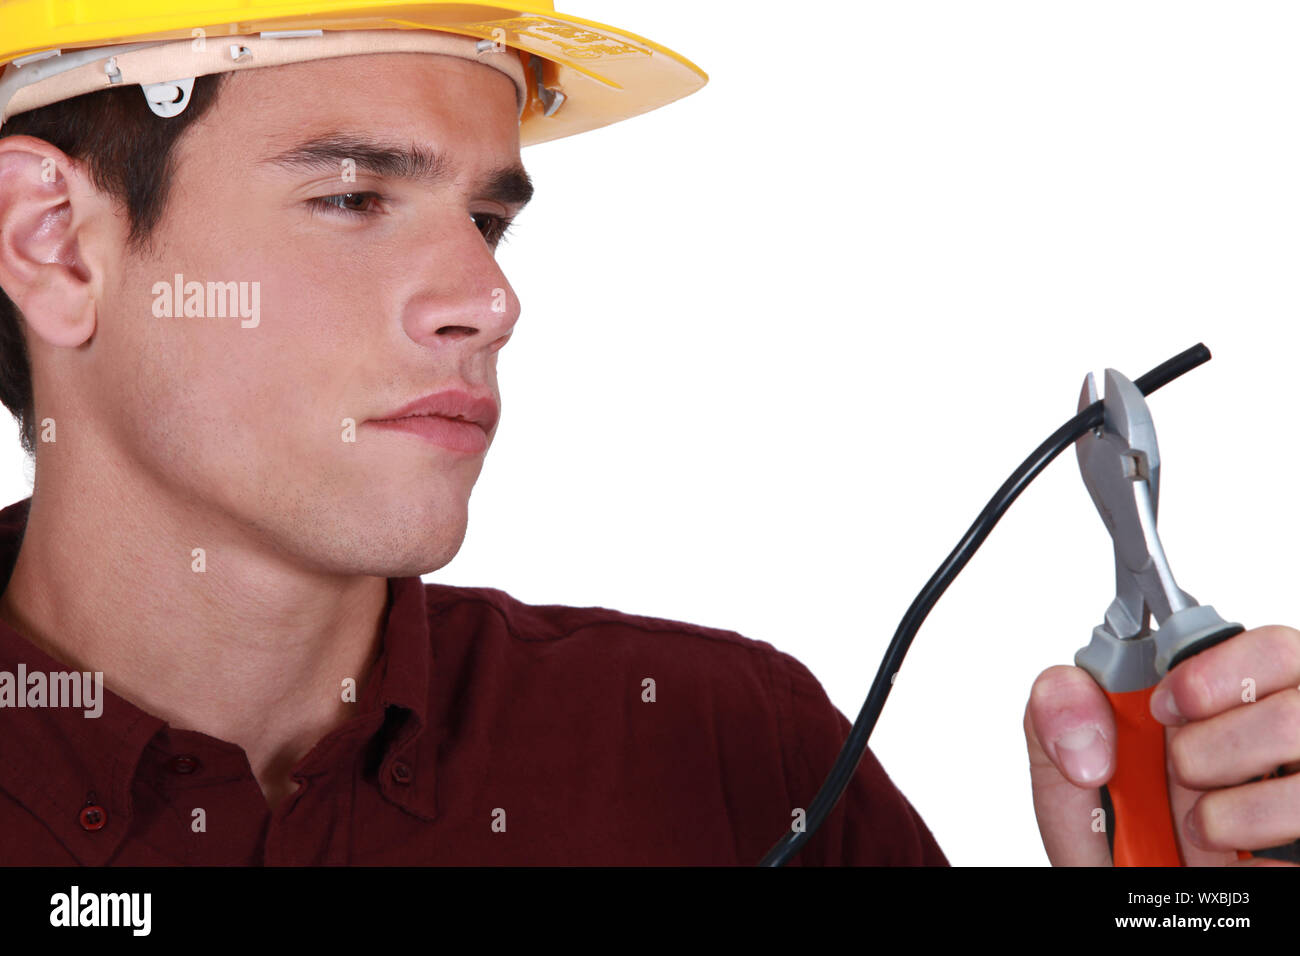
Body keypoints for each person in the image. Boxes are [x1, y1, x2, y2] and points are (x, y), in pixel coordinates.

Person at [0, 3, 1293, 867]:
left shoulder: (718, 747)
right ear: (57, 240)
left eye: (488, 221)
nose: (488, 300)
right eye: (352, 196)